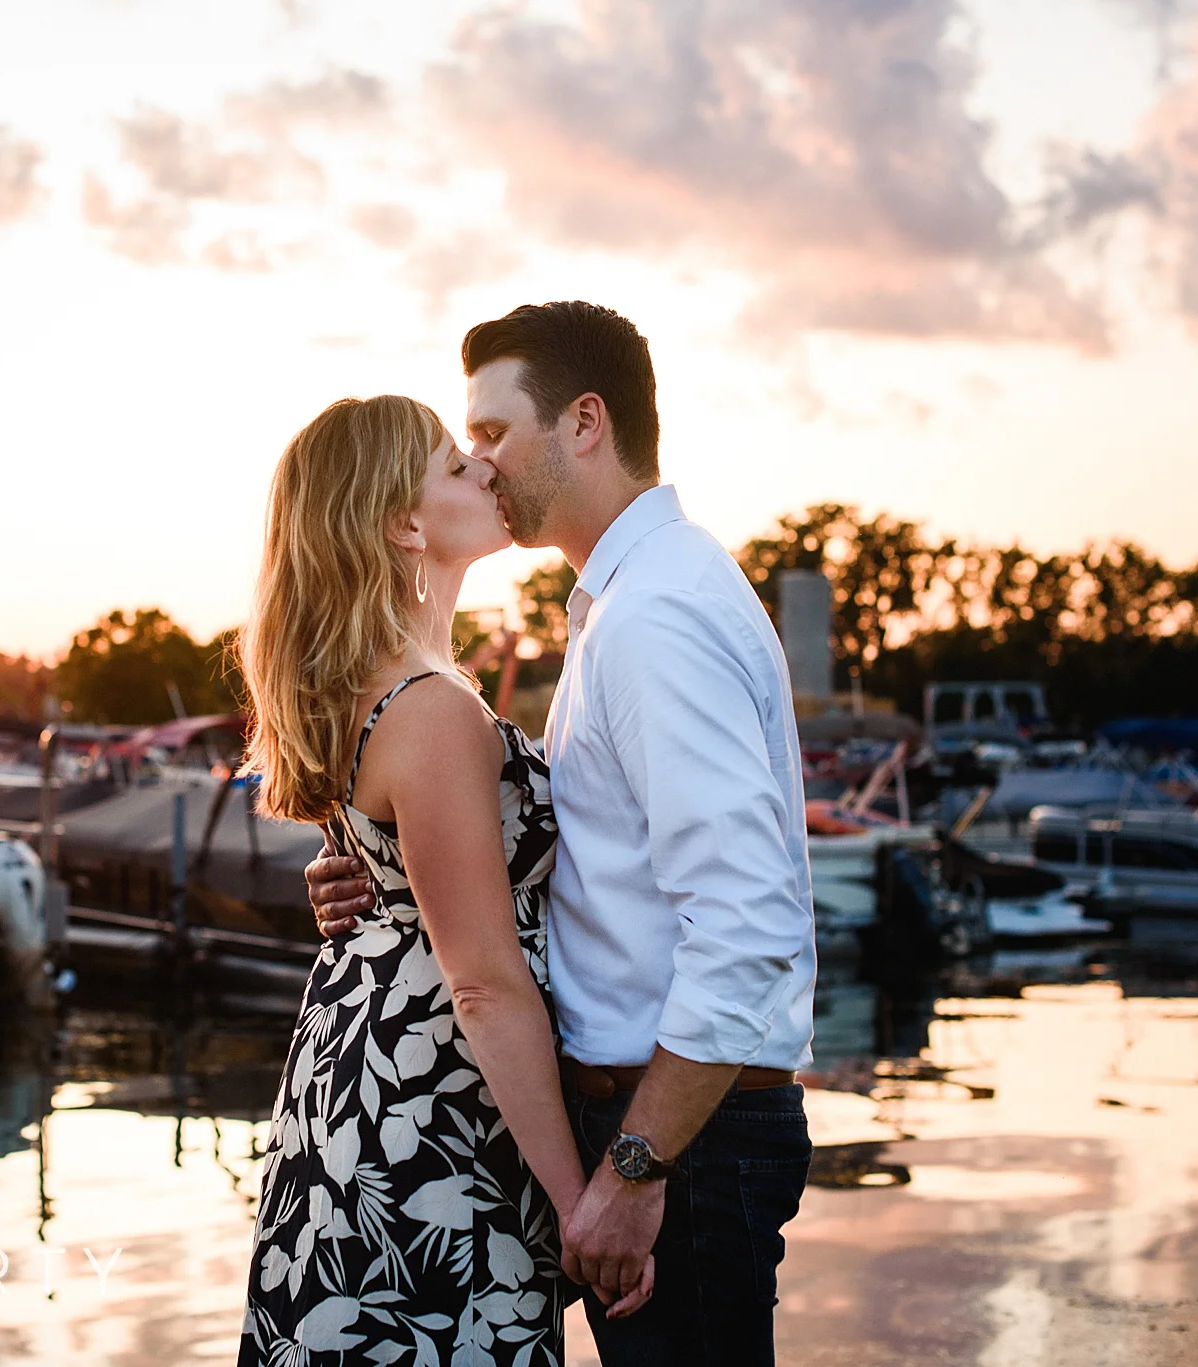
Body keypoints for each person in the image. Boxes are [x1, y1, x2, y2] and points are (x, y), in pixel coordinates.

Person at [306, 302, 818, 1366]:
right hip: (649, 1126)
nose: (481, 465)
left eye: (491, 434)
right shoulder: (619, 604)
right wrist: (381, 871)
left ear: (583, 423)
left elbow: (744, 915)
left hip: (680, 1136)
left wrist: (632, 1170)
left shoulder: (655, 615)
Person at [236, 394, 652, 1367]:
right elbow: (482, 979)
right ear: (405, 522)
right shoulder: (429, 708)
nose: (483, 467)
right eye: (453, 464)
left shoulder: (375, 688)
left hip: (363, 1080)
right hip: (431, 1116)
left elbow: (398, 889)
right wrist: (575, 1203)